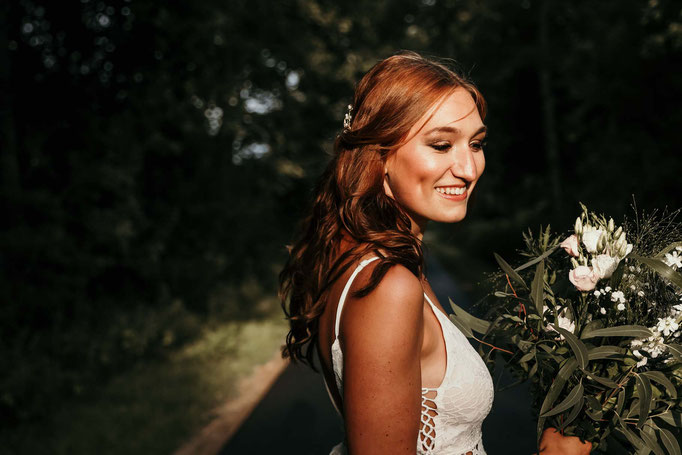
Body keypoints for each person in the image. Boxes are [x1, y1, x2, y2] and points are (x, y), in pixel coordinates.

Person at [279, 51, 591, 455]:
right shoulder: (387, 286)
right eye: (442, 145)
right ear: (381, 155)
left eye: (476, 143)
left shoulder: (367, 262)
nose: (468, 168)